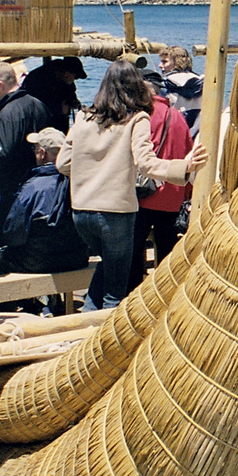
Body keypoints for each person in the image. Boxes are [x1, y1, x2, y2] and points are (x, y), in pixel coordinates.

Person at [57, 60, 205, 310]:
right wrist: (185, 166)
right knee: (115, 292)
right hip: (115, 213)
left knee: (105, 270)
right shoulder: (137, 119)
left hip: (81, 211)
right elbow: (147, 164)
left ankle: (85, 326)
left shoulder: (84, 117)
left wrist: (94, 172)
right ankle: (103, 343)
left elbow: (63, 163)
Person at [0, 128, 89, 279]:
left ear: (42, 153)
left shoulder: (33, 187)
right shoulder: (79, 183)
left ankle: (22, 303)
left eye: (35, 148)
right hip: (77, 258)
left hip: (37, 262)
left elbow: (12, 234)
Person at [130, 73, 193, 290]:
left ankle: (136, 293)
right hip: (172, 194)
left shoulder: (142, 116)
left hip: (146, 193)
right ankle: (165, 292)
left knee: (135, 249)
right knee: (166, 250)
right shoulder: (177, 116)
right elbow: (188, 152)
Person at [0, 66, 51, 241]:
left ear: (0, 84)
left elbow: (4, 153)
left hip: (11, 187)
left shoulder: (8, 111)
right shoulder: (38, 103)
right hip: (36, 180)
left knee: (4, 231)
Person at [20, 56, 85, 132]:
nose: (74, 80)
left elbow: (70, 93)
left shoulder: (66, 81)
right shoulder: (38, 79)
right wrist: (61, 110)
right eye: (76, 77)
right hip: (38, 120)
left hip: (57, 118)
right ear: (67, 74)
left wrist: (73, 101)